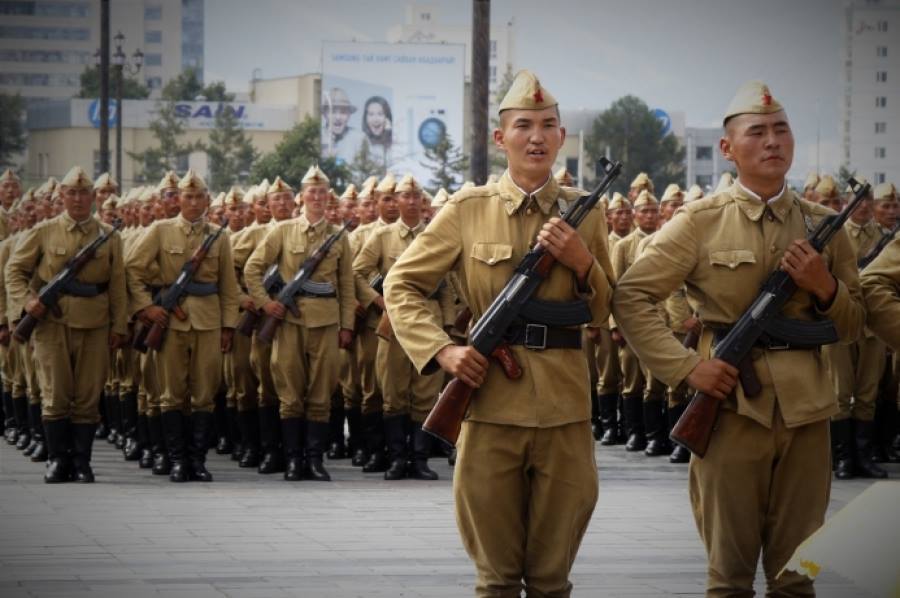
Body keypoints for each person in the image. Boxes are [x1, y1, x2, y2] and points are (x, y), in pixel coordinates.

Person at [612, 81, 865, 596]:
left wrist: (824, 286)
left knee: (797, 578)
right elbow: (632, 296)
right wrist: (685, 369)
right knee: (729, 578)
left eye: (781, 130)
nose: (772, 141)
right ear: (727, 148)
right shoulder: (699, 222)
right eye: (758, 132)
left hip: (807, 414)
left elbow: (855, 323)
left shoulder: (823, 225)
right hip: (730, 411)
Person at [384, 70, 614, 596]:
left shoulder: (587, 213)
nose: (537, 137)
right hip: (488, 407)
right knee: (496, 579)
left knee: (552, 579)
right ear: (500, 137)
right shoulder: (468, 210)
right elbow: (402, 284)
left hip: (564, 409)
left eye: (548, 126)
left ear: (562, 137)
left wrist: (582, 262)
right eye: (523, 126)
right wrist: (442, 350)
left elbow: (604, 311)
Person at [6, 166, 128, 483]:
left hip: (95, 323)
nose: (77, 199)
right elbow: (14, 271)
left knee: (88, 395)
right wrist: (27, 302)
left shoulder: (108, 236)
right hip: (51, 325)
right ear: (62, 196)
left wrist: (119, 327)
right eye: (71, 193)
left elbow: (117, 284)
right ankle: (58, 460)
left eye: (83, 193)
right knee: (55, 393)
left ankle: (82, 462)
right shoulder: (44, 231)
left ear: (93, 197)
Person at [126, 170, 239, 483]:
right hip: (170, 324)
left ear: (207, 200)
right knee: (171, 393)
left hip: (208, 322)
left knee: (204, 394)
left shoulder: (219, 236)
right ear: (178, 199)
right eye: (188, 197)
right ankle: (176, 459)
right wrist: (146, 308)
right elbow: (132, 269)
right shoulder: (161, 231)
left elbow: (228, 287)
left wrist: (228, 326)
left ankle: (197, 460)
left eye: (199, 197)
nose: (193, 202)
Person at [245, 165, 356, 482]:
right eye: (312, 192)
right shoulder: (283, 231)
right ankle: (293, 460)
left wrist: (346, 325)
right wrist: (267, 304)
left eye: (322, 193)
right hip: (289, 324)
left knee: (321, 393)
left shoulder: (339, 236)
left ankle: (315, 460)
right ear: (302, 197)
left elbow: (346, 285)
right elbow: (252, 269)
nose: (317, 197)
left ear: (329, 197)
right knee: (290, 394)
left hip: (325, 322)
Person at [354, 173, 453, 481]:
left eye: (416, 197)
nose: (411, 202)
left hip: (428, 316)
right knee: (393, 391)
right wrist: (379, 301)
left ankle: (419, 459)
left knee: (425, 391)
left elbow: (447, 283)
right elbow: (357, 272)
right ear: (396, 201)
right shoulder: (382, 236)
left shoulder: (435, 234)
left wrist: (449, 322)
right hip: (394, 319)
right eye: (405, 197)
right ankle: (397, 458)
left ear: (423, 202)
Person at [322, 87, 363, 165]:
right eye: (333, 112)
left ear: (349, 115)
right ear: (325, 114)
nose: (338, 117)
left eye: (343, 112)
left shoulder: (359, 138)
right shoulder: (316, 137)